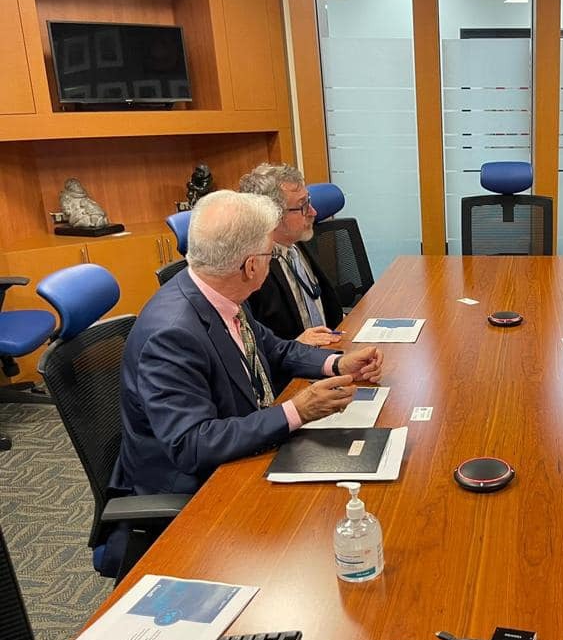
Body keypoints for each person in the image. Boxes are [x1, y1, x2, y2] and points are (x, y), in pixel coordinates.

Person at [112, 190, 383, 502]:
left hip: (245, 444)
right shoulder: (171, 336)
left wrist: (336, 363)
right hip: (196, 489)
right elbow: (192, 444)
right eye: (271, 254)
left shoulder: (219, 290)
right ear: (251, 266)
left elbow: (273, 347)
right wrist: (297, 410)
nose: (273, 261)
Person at [239, 163, 345, 348]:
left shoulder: (296, 242)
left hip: (330, 345)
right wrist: (295, 345)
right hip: (294, 360)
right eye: (302, 206)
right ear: (272, 215)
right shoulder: (251, 268)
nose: (313, 212)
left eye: (308, 201)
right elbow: (252, 347)